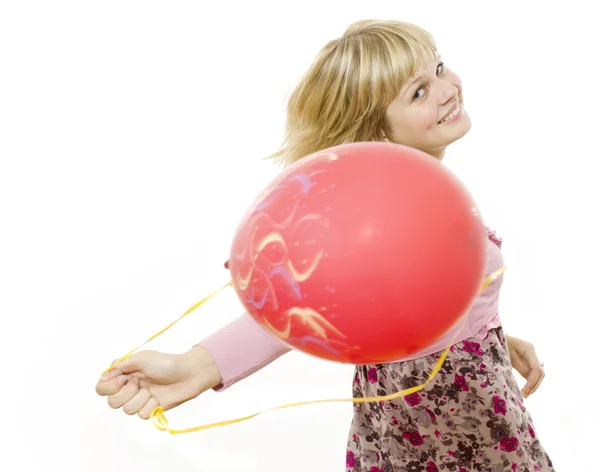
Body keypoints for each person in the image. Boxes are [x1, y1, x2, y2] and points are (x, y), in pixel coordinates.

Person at [96, 19, 554, 471]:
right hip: (450, 428)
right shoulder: (380, 214)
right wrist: (198, 366)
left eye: (438, 68)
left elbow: (413, 305)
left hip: (462, 402)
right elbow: (308, 305)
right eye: (418, 92)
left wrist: (487, 337)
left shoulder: (415, 193)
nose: (446, 88)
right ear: (375, 132)